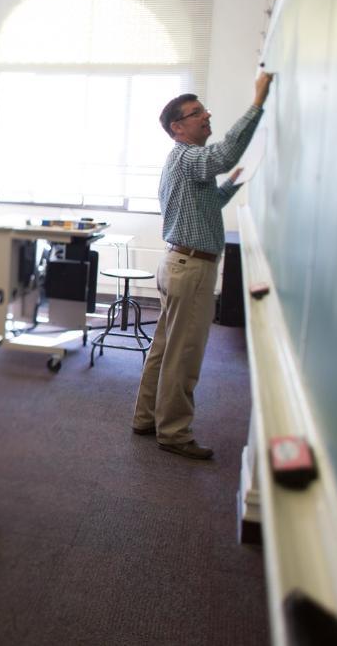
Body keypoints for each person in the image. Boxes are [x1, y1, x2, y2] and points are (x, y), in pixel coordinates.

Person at [132, 71, 274, 460]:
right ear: (178, 128)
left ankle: (147, 418)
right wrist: (258, 102)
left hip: (178, 264)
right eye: (197, 113)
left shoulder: (182, 161)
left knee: (164, 349)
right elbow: (224, 154)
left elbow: (207, 207)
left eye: (204, 110)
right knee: (184, 353)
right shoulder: (190, 156)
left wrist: (235, 182)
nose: (207, 116)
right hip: (190, 270)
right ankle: (174, 433)